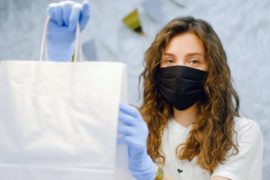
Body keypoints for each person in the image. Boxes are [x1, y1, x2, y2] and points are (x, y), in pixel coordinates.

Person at [46, 1, 263, 180]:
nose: (179, 70)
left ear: (213, 69)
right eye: (169, 60)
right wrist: (61, 60)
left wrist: (150, 172)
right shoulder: (137, 127)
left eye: (194, 60)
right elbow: (75, 124)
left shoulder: (241, 134)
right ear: (156, 70)